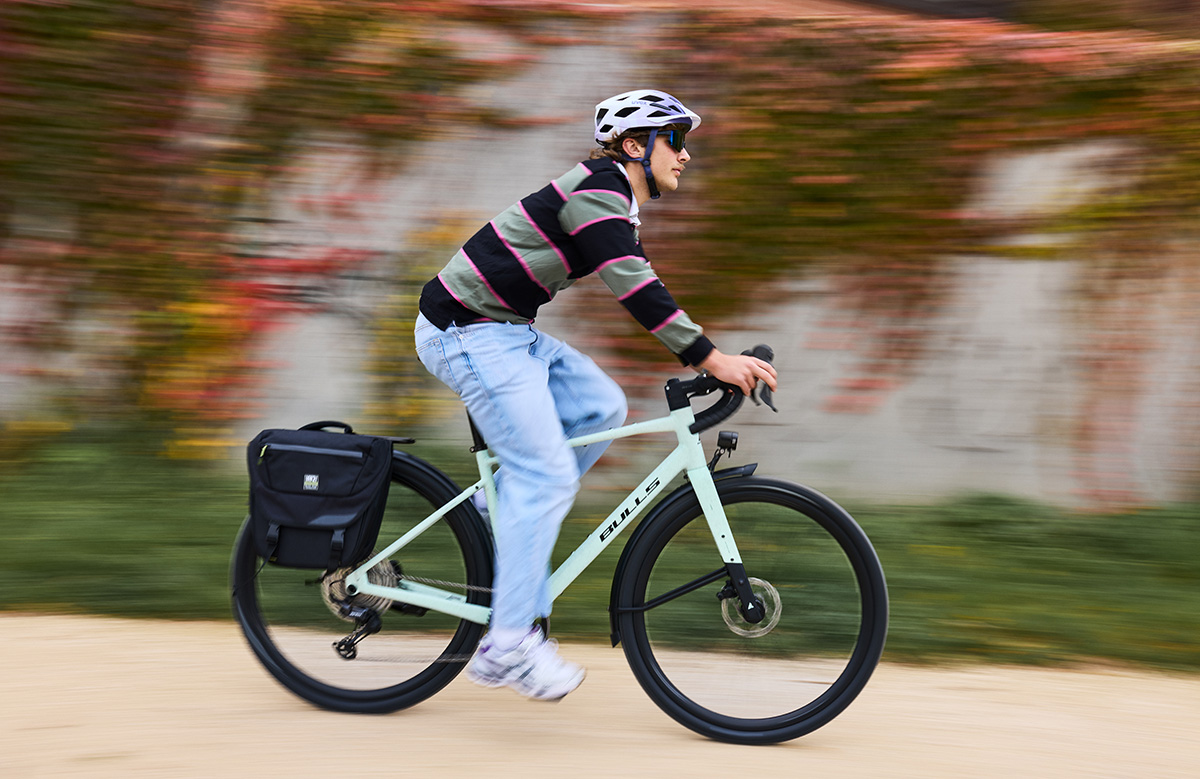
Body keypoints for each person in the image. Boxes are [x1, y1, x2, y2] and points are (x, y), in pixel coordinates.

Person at [413, 89, 777, 701]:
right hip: (465, 333)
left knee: (599, 408)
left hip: (505, 331)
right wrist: (711, 357)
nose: (685, 156)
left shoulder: (610, 196)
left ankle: (497, 512)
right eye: (676, 141)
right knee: (550, 475)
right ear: (636, 146)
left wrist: (707, 353)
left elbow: (637, 277)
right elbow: (635, 287)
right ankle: (505, 647)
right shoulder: (598, 191)